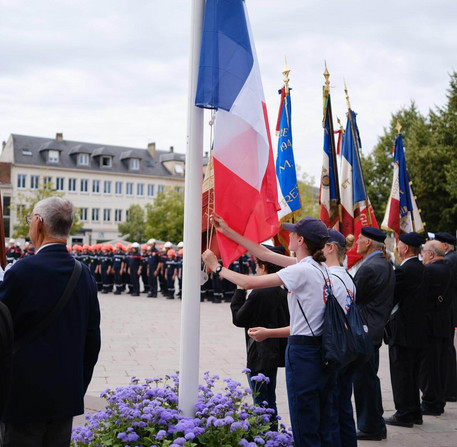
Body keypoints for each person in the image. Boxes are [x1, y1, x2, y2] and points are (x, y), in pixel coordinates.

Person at [202, 214, 334, 447]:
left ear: (301, 240)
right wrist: (228, 230)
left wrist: (217, 267)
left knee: (303, 419)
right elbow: (265, 255)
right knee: (314, 416)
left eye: (293, 232)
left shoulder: (301, 270)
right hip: (315, 349)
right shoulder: (317, 266)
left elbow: (250, 283)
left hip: (303, 351)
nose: (289, 235)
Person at [0, 197, 101, 447]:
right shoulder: (83, 273)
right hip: (64, 397)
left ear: (38, 223)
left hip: (22, 398)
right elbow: (92, 341)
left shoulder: (21, 272)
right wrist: (75, 386)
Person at [230, 246, 290, 429]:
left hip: (260, 352)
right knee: (269, 398)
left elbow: (239, 319)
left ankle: (267, 435)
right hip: (275, 351)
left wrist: (240, 290)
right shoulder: (280, 288)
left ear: (263, 266)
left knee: (261, 400)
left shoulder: (261, 291)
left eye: (257, 264)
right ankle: (272, 433)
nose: (255, 268)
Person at [352, 226, 395, 441]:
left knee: (364, 380)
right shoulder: (384, 264)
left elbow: (353, 297)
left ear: (368, 242)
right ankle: (375, 424)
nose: (356, 241)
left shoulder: (370, 267)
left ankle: (370, 427)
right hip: (374, 328)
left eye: (359, 238)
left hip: (364, 330)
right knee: (369, 377)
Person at [384, 232, 427, 427]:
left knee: (402, 374)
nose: (397, 248)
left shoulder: (404, 271)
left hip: (403, 331)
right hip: (419, 330)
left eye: (399, 245)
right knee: (413, 373)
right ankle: (414, 412)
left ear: (405, 248)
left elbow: (391, 297)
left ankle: (404, 413)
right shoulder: (423, 268)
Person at [322, 230, 357, 447]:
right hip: (347, 347)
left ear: (330, 248)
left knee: (332, 409)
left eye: (320, 244)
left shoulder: (331, 278)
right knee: (343, 406)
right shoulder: (346, 275)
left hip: (335, 347)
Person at [419, 239, 453, 416]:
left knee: (429, 367)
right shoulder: (448, 268)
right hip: (443, 324)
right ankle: (438, 401)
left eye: (424, 251)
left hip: (430, 325)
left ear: (431, 254)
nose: (422, 254)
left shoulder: (429, 270)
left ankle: (430, 402)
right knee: (440, 365)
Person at [434, 232, 457, 402]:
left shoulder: (449, 260)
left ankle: (449, 389)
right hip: (449, 308)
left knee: (446, 349)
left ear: (446, 247)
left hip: (447, 309)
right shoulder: (452, 258)